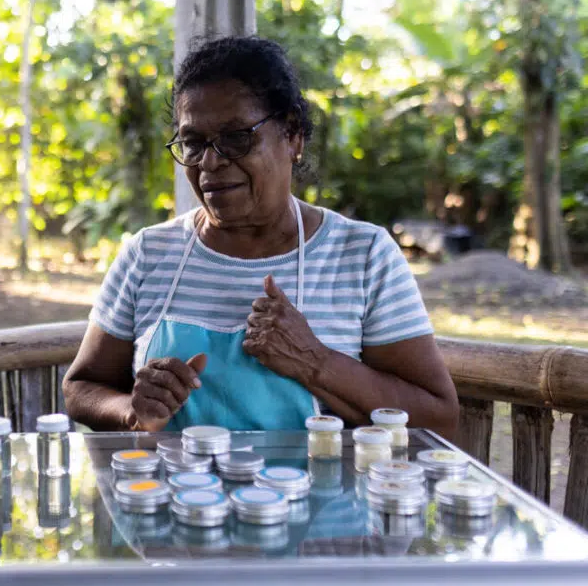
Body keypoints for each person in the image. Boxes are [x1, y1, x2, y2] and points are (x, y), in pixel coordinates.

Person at [62, 36, 458, 437]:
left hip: (317, 498)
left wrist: (315, 361)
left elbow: (438, 417)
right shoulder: (148, 253)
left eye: (236, 138)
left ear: (292, 136)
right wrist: (132, 409)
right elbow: (81, 388)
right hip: (176, 497)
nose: (210, 163)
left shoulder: (363, 256)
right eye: (193, 143)